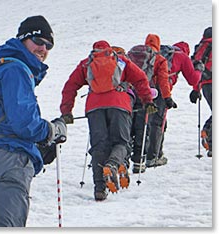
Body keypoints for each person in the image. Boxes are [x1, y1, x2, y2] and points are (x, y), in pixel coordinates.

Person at [0, 15, 67, 227]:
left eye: (48, 45)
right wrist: (51, 131)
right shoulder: (16, 69)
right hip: (8, 160)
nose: (43, 49)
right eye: (38, 42)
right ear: (22, 40)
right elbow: (24, 123)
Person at [60, 40, 157, 201]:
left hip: (94, 107)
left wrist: (66, 111)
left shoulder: (86, 64)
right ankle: (113, 164)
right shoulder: (120, 61)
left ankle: (99, 189)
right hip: (120, 104)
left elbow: (70, 86)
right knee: (122, 143)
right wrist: (147, 101)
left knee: (99, 146)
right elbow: (140, 78)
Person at [130, 34, 177, 173]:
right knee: (145, 127)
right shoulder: (160, 59)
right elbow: (163, 80)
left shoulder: (134, 54)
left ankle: (126, 156)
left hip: (131, 94)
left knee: (129, 125)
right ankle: (142, 161)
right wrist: (167, 98)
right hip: (149, 95)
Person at [157, 41, 202, 158]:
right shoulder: (182, 56)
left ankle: (142, 151)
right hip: (163, 91)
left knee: (144, 121)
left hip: (146, 88)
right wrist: (198, 70)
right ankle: (156, 154)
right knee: (159, 123)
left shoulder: (160, 53)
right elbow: (193, 79)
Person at [190, 27, 212, 157]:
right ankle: (208, 134)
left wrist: (196, 89)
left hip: (205, 85)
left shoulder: (202, 48)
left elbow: (197, 70)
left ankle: (208, 134)